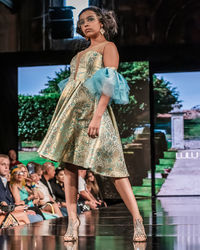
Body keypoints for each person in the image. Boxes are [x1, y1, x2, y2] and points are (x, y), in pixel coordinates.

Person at [38, 6, 146, 242]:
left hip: (96, 113)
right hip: (72, 116)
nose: (85, 24)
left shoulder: (109, 47)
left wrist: (97, 116)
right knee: (69, 168)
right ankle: (73, 221)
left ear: (102, 23)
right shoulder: (77, 56)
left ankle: (137, 219)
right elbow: (72, 89)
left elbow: (108, 83)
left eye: (90, 19)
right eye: (81, 22)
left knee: (116, 168)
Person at [0, 154, 43, 224]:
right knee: (35, 217)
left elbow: (40, 196)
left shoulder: (5, 182)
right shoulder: (12, 184)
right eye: (3, 164)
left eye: (8, 164)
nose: (6, 167)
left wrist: (32, 184)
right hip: (5, 214)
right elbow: (4, 204)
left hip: (10, 211)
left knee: (37, 216)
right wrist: (16, 208)